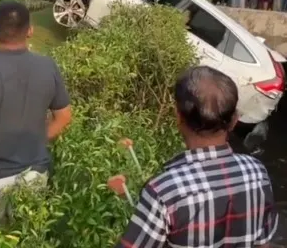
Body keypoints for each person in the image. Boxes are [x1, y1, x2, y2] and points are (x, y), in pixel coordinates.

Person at [117, 66, 278, 248]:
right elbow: (262, 242)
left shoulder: (164, 192)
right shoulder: (257, 172)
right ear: (234, 121)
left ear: (178, 117)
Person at [0, 1, 72, 215]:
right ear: (30, 30)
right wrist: (35, 143)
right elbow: (63, 117)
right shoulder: (47, 66)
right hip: (34, 173)